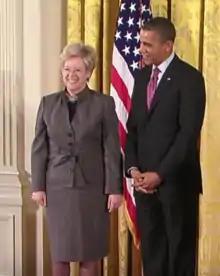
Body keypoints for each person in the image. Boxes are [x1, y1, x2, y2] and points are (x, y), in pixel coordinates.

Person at [31, 43, 123, 276]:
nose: (71, 75)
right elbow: (39, 148)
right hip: (57, 188)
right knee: (60, 254)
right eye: (66, 69)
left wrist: (114, 189)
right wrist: (38, 187)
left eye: (77, 70)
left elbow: (111, 149)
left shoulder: (103, 104)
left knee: (89, 254)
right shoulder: (47, 103)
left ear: (89, 73)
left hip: (92, 189)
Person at [125, 17, 206, 276]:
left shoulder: (190, 78)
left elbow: (187, 134)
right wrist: (133, 169)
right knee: (153, 255)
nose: (141, 49)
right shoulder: (140, 78)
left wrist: (159, 174)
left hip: (177, 185)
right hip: (145, 189)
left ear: (168, 46)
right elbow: (134, 128)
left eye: (148, 44)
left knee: (179, 257)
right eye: (140, 43)